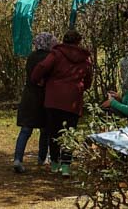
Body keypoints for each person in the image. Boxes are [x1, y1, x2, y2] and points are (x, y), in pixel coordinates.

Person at [31, 29, 93, 176]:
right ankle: (66, 165)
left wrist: (36, 80)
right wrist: (82, 87)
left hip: (54, 98)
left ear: (63, 40)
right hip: (73, 99)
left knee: (54, 131)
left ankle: (54, 163)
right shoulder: (85, 58)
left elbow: (42, 67)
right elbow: (88, 78)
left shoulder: (56, 54)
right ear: (78, 42)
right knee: (70, 131)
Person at [13, 32, 58, 174]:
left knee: (25, 130)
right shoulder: (51, 58)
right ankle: (42, 157)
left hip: (29, 96)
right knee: (45, 130)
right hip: (44, 97)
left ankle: (18, 158)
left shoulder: (31, 56)